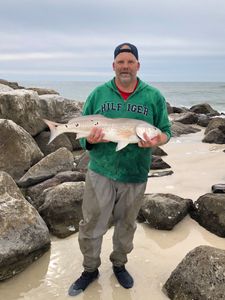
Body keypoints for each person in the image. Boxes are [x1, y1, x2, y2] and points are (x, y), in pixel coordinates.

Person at [68, 42, 171, 296]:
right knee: (92, 223)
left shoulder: (153, 96)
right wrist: (90, 140)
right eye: (121, 62)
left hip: (135, 174)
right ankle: (90, 270)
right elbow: (82, 134)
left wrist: (158, 140)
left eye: (130, 62)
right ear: (114, 65)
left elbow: (166, 131)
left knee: (127, 224)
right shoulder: (98, 94)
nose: (125, 66)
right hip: (101, 171)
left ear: (138, 65)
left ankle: (119, 264)